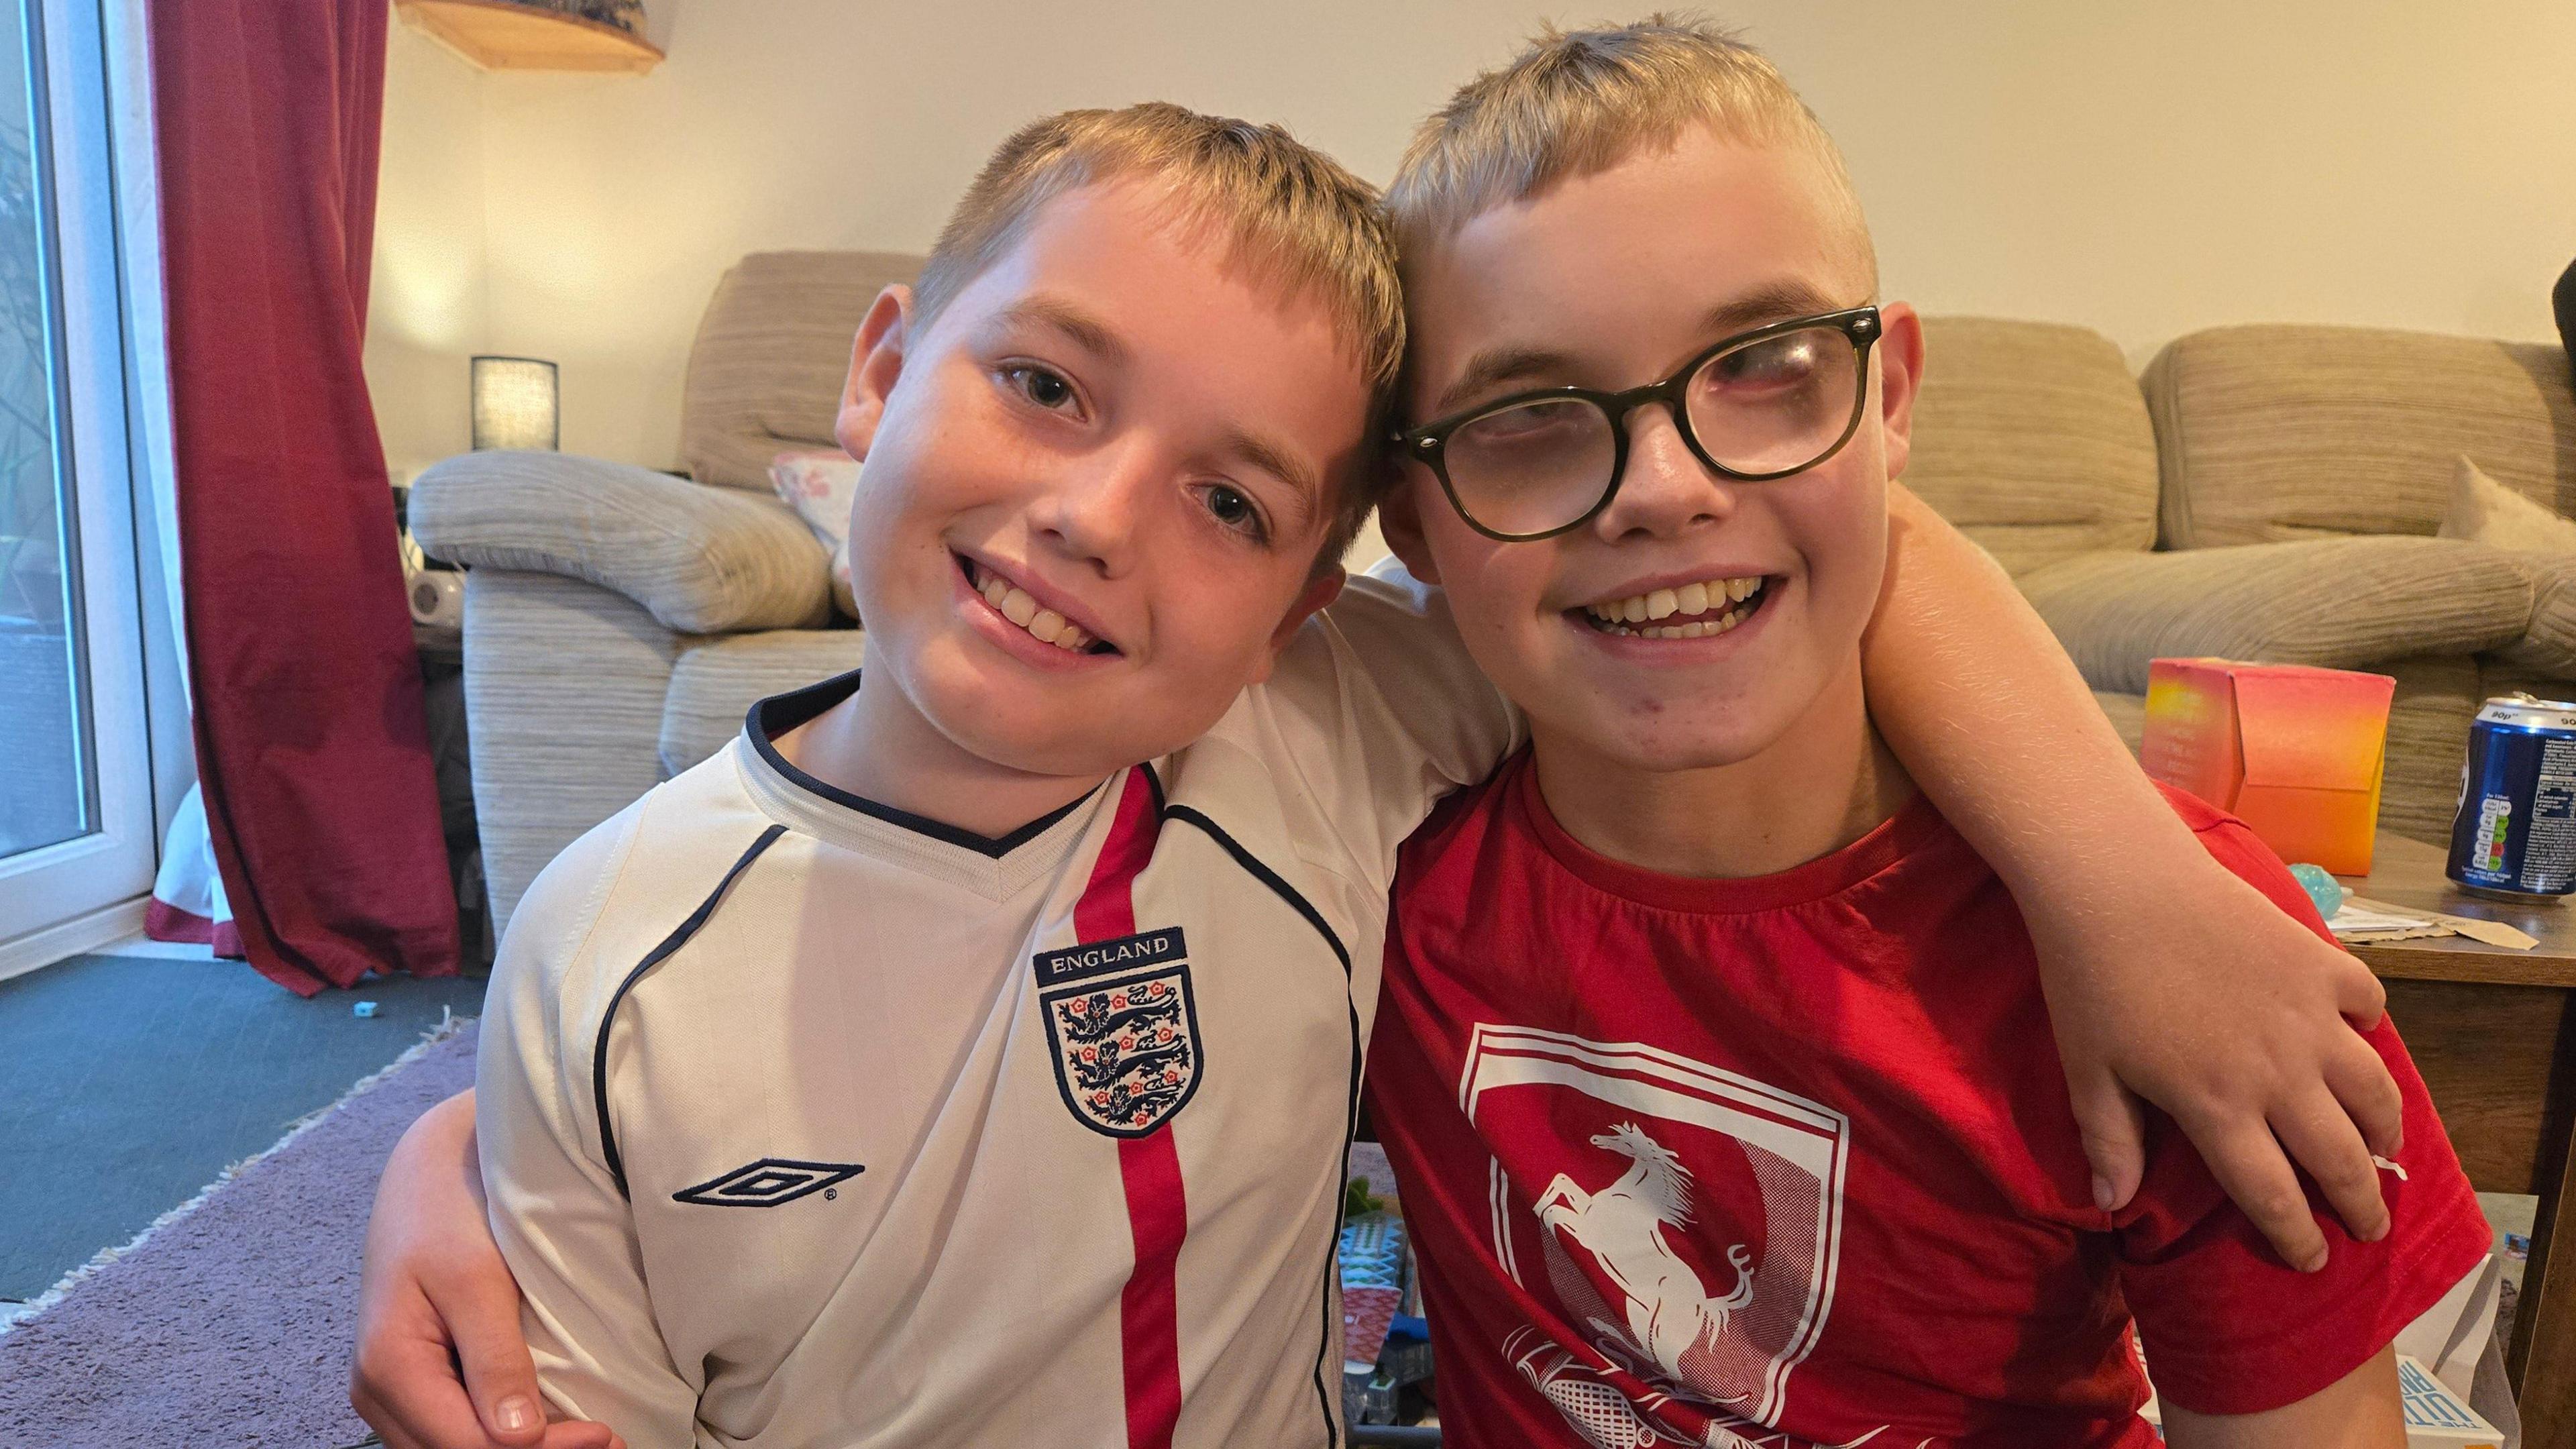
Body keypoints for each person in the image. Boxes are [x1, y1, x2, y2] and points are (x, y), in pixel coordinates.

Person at [350, 97, 2406, 1449]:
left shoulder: (1327, 732)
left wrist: (2118, 875)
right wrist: (472, 1143)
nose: (1094, 521)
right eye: (1044, 383)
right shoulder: (1341, 744)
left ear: (1316, 587)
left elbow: (1796, 557)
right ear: (881, 368)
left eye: (1235, 503)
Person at [1360, 19, 2489, 1447]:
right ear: (1412, 516)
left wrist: (2117, 878)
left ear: (1887, 396)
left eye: (1761, 362)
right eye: (1530, 413)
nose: (1661, 486)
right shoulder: (1372, 846)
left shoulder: (2191, 963)